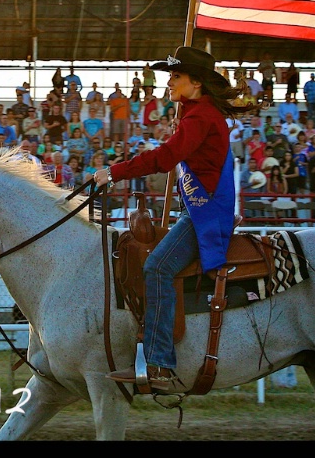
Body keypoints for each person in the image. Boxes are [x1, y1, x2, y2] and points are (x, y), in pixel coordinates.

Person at [94, 46, 256, 391]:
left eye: (176, 76)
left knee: (157, 268)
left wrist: (115, 171)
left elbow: (166, 158)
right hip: (201, 208)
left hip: (204, 213)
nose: (169, 82)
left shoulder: (199, 118)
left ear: (196, 82)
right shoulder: (200, 113)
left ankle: (160, 365)